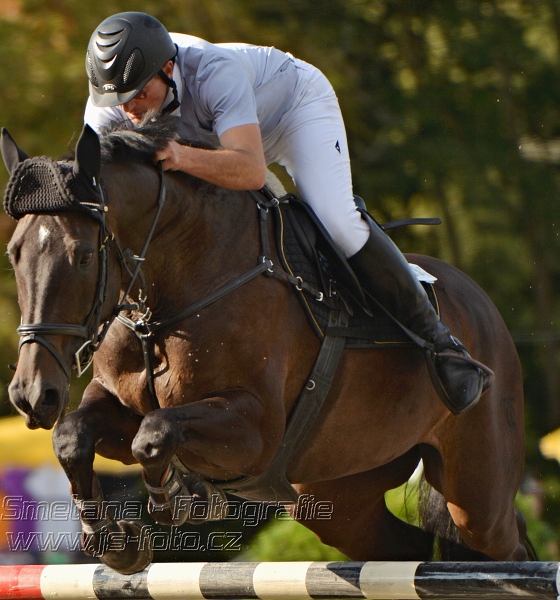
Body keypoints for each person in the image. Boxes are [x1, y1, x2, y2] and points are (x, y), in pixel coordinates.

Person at [83, 11, 487, 414]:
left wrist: (179, 154)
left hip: (292, 112)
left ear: (167, 67)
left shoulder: (213, 73)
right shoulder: (110, 104)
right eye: (118, 99)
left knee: (337, 221)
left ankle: (440, 344)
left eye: (138, 93)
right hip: (212, 139)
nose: (129, 109)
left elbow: (250, 169)